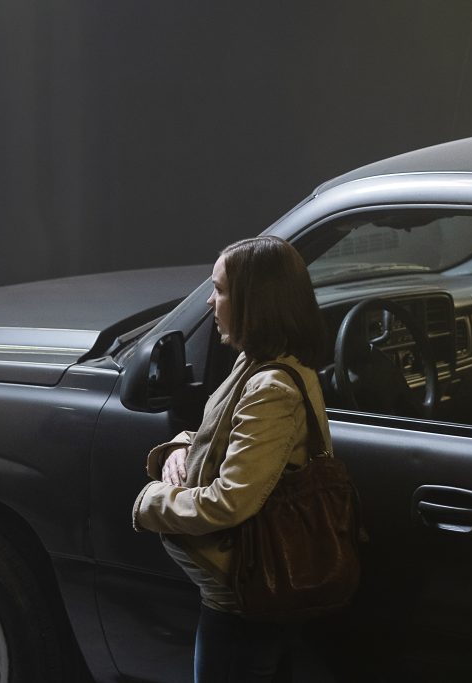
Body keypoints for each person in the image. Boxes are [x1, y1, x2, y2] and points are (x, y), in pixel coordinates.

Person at [132, 236, 331, 682]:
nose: (210, 300)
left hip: (242, 605)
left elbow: (230, 501)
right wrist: (182, 447)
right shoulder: (257, 363)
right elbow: (224, 431)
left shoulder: (271, 387)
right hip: (241, 600)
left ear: (254, 301)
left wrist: (150, 502)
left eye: (220, 289)